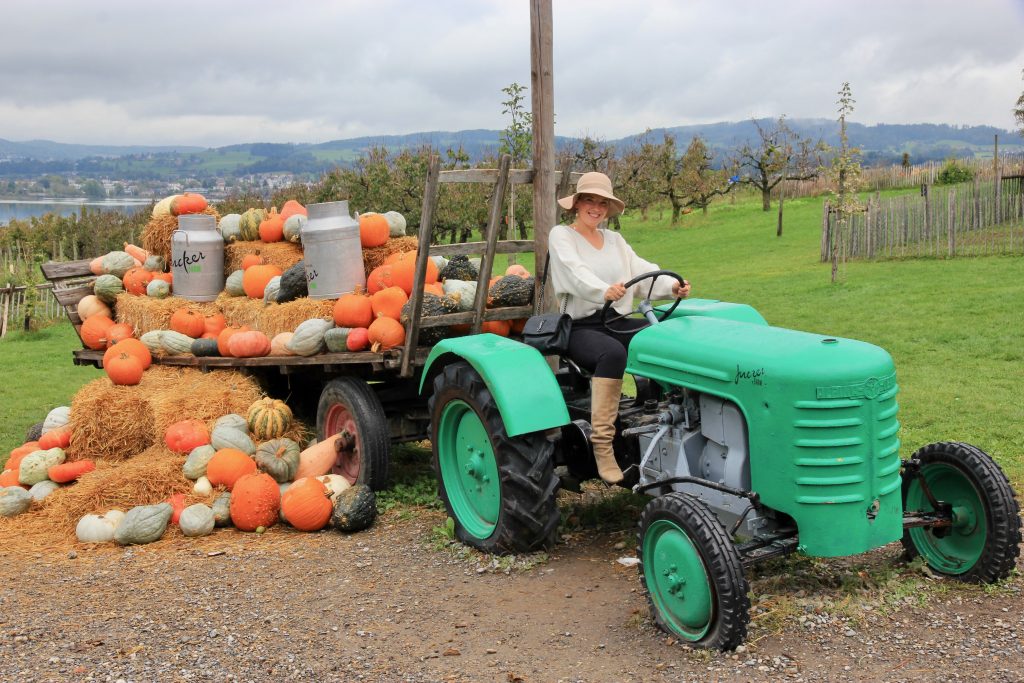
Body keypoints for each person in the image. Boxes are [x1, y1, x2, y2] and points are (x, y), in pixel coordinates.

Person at [548, 172, 690, 484]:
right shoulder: (562, 236)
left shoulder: (614, 241)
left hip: (616, 319)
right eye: (589, 200)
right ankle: (602, 445)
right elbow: (575, 272)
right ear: (577, 204)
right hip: (581, 325)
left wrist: (672, 285)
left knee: (661, 339)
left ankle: (675, 419)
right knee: (611, 354)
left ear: (608, 209)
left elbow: (642, 270)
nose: (595, 207)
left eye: (602, 202)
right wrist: (603, 290)